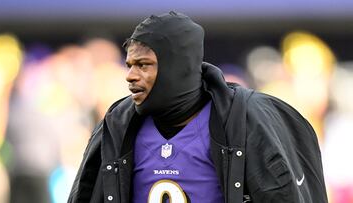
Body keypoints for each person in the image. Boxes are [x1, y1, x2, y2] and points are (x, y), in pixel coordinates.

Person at [68, 11, 328, 203]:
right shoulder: (117, 125)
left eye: (144, 65)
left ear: (176, 68)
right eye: (130, 65)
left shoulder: (245, 119)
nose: (131, 75)